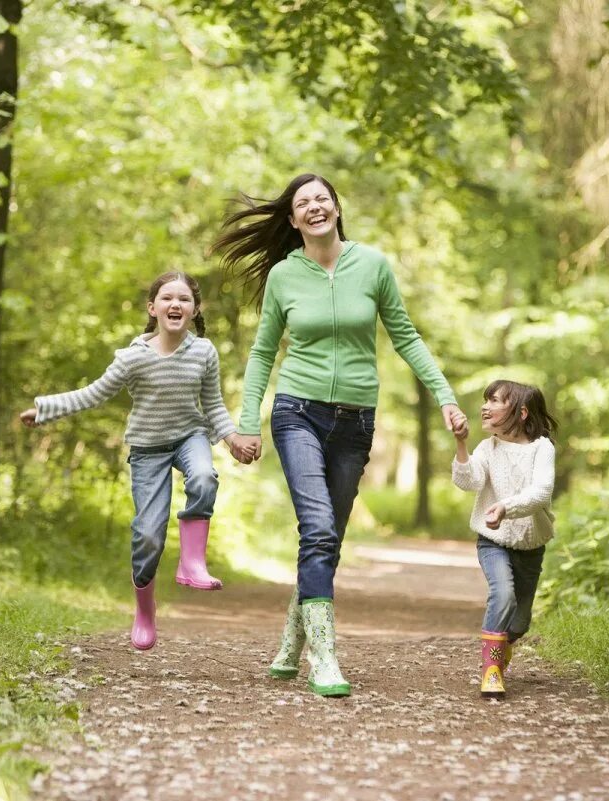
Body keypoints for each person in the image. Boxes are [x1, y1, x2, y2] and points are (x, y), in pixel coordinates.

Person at [212, 173, 467, 697]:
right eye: (302, 203)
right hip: (296, 411)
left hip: (356, 420)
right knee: (320, 528)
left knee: (327, 539)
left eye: (321, 199)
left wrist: (444, 395)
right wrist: (246, 422)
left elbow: (405, 335)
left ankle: (291, 639)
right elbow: (263, 352)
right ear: (292, 219)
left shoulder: (372, 265)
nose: (313, 208)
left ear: (336, 208)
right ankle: (324, 659)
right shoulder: (285, 275)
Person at [19, 272, 257, 651]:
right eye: (167, 298)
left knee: (204, 477)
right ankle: (145, 610)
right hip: (147, 448)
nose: (175, 304)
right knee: (148, 535)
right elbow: (92, 394)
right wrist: (44, 410)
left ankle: (191, 563)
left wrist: (231, 440)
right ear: (153, 308)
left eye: (184, 299)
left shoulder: (204, 352)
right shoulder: (133, 358)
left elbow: (212, 405)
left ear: (194, 310)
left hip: (189, 437)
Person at [451, 379, 558, 699]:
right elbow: (468, 482)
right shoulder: (488, 448)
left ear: (521, 412)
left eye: (495, 400)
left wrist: (506, 507)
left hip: (530, 544)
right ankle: (492, 670)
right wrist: (461, 445)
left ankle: (501, 645)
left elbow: (541, 492)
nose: (485, 406)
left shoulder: (542, 448)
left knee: (520, 622)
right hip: (492, 540)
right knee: (504, 594)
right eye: (486, 400)